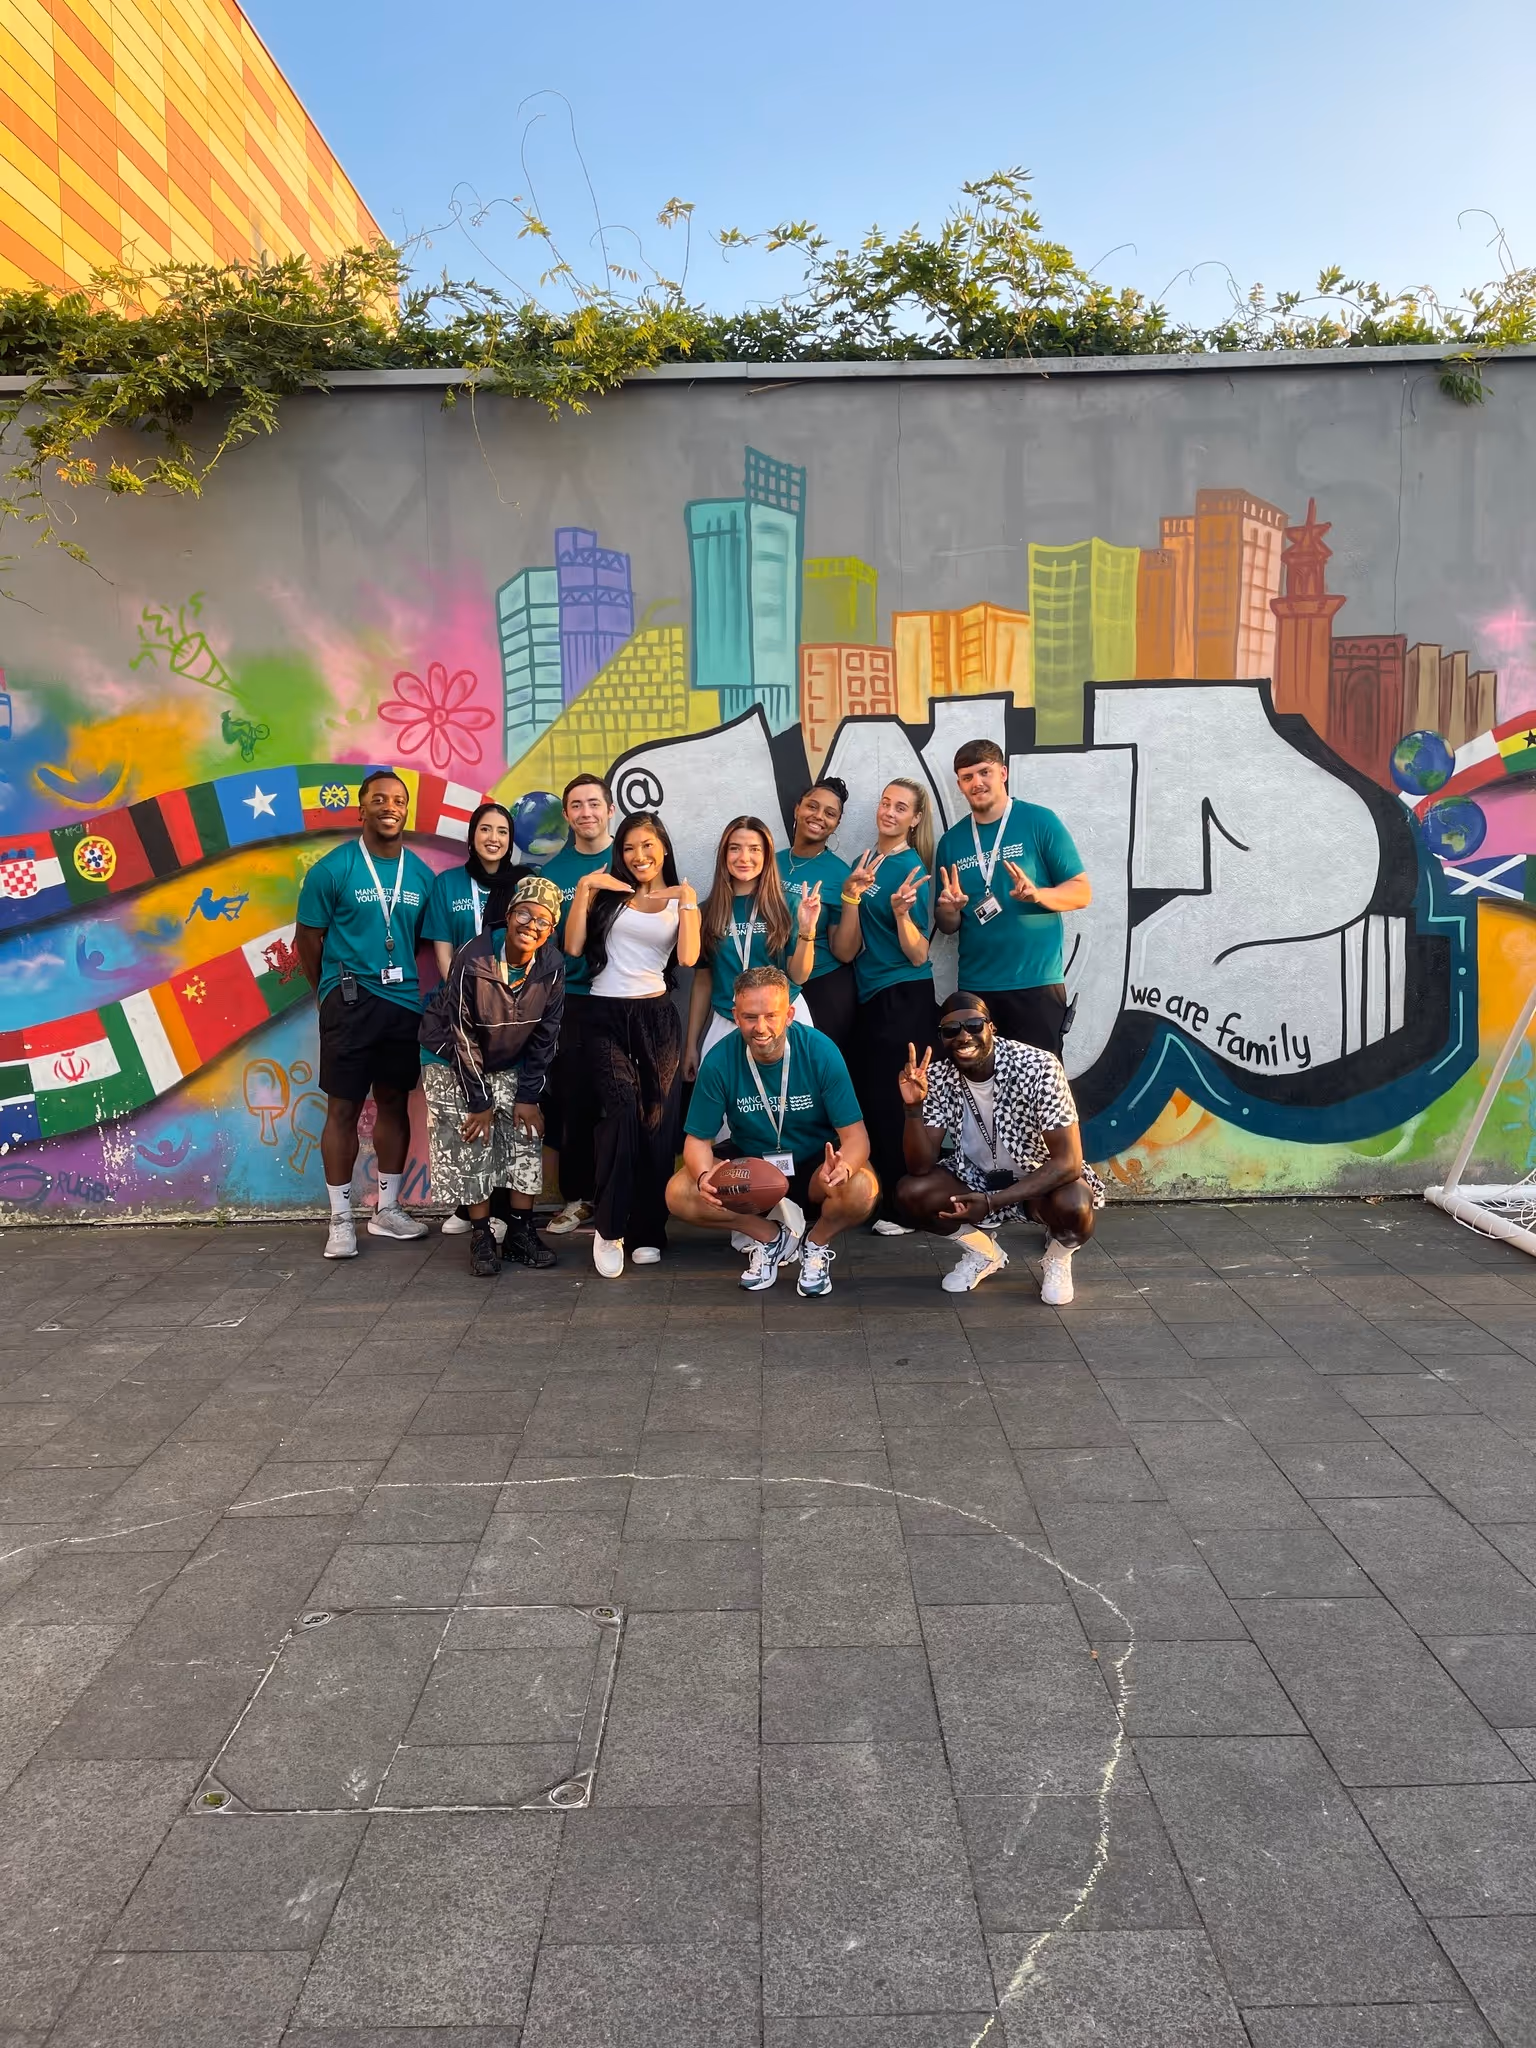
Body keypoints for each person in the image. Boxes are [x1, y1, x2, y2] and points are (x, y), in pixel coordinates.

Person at [295, 768, 435, 1259]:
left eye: (398, 800)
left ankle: (388, 1210)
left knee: (395, 1103)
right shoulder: (332, 870)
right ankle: (339, 1220)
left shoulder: (419, 874)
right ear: (362, 807)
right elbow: (307, 940)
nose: (390, 807)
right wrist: (329, 992)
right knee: (344, 1108)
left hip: (402, 1005)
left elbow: (418, 939)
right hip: (349, 1003)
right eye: (380, 799)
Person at [667, 966, 877, 1296]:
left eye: (770, 1016)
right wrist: (705, 1174)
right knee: (680, 1193)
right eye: (750, 1017)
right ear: (735, 1016)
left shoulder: (820, 1051)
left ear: (789, 1014)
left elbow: (856, 1137)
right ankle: (770, 1237)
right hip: (752, 1169)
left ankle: (816, 1244)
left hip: (814, 1168)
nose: (760, 1027)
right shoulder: (720, 1059)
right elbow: (697, 1141)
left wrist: (845, 1167)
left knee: (862, 1188)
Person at [895, 990, 1105, 1300]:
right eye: (952, 1031)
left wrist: (993, 1202)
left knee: (1074, 1205)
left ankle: (1057, 1258)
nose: (964, 1037)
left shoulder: (1038, 1067)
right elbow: (920, 1165)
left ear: (991, 1028)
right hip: (975, 1176)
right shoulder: (937, 1076)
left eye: (974, 1026)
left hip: (1039, 1178)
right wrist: (913, 1109)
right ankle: (984, 1253)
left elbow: (1068, 1162)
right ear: (942, 1038)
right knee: (911, 1192)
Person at [563, 810, 700, 1278]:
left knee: (656, 1124)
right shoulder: (605, 892)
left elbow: (687, 957)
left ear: (662, 848)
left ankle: (648, 1231)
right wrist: (584, 892)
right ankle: (609, 1228)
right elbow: (575, 948)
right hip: (604, 1015)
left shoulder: (679, 898)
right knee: (620, 1114)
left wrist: (687, 902)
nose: (638, 856)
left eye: (646, 846)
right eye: (628, 848)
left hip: (657, 1018)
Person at [418, 875, 565, 1277]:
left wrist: (529, 1096)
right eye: (524, 913)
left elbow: (546, 1037)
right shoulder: (474, 957)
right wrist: (480, 1103)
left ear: (551, 931)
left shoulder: (551, 966)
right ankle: (481, 1234)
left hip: (510, 1057)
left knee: (526, 1134)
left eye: (542, 921)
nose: (530, 925)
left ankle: (519, 1233)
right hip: (451, 1056)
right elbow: (462, 1034)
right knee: (475, 1140)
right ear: (508, 913)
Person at [934, 738, 1091, 1058]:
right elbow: (948, 927)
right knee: (981, 1088)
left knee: (1042, 1087)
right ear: (960, 785)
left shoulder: (1039, 821)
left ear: (1003, 773)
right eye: (967, 777)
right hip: (977, 988)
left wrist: (1038, 895)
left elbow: (1081, 891)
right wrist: (949, 910)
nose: (977, 782)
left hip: (1035, 983)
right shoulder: (951, 842)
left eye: (984, 772)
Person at [830, 776, 938, 1236]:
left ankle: (906, 1207)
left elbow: (919, 954)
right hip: (869, 997)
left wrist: (899, 914)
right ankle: (881, 1198)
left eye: (901, 808)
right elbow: (846, 950)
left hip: (905, 997)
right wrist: (851, 896)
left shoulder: (913, 869)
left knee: (899, 1105)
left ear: (914, 820)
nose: (889, 812)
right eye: (885, 803)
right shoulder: (863, 861)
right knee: (871, 1101)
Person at [423, 800, 523, 1242]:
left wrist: (501, 1002)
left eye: (502, 831)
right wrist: (468, 999)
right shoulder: (448, 884)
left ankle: (499, 1209)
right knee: (467, 1107)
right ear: (472, 836)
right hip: (461, 1011)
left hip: (510, 1015)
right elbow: (442, 949)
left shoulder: (522, 885)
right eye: (486, 830)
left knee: (502, 1111)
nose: (494, 838)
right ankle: (469, 1204)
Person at [538, 774, 616, 1237]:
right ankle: (577, 1199)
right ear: (566, 815)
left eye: (594, 803)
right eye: (577, 806)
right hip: (574, 1002)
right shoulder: (551, 874)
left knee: (622, 1104)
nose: (586, 812)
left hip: (627, 999)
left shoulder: (631, 860)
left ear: (610, 808)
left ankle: (617, 1194)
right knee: (575, 1104)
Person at [684, 816, 816, 1080]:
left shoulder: (786, 905)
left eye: (754, 849)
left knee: (789, 1108)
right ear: (724, 854)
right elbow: (703, 982)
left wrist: (807, 930)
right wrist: (691, 1045)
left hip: (782, 1021)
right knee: (725, 1117)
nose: (744, 857)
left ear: (766, 855)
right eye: (735, 848)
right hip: (728, 1020)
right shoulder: (706, 912)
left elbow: (799, 976)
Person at [776, 777, 856, 1057]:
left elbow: (844, 953)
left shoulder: (839, 874)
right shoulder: (770, 863)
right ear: (798, 808)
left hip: (822, 988)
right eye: (812, 806)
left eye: (830, 813)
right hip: (774, 983)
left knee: (819, 1071)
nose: (818, 816)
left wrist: (851, 897)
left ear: (836, 824)